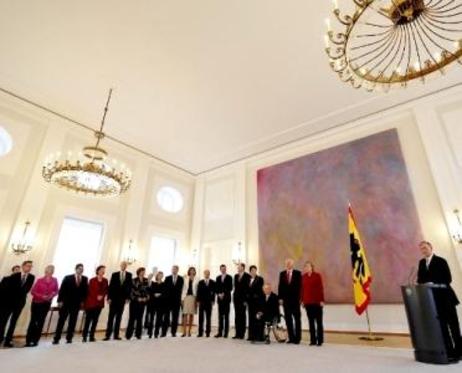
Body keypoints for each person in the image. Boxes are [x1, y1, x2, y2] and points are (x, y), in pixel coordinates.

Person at [417, 241, 461, 358]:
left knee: (453, 326)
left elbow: (448, 278)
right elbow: (420, 279)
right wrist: (424, 284)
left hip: (446, 298)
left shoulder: (441, 261)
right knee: (442, 328)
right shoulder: (421, 263)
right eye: (421, 249)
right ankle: (449, 352)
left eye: (425, 248)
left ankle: (459, 351)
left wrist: (433, 283)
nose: (423, 250)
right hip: (433, 301)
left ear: (431, 248)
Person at [0, 260, 35, 347]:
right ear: (23, 266)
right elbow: (9, 290)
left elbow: (26, 290)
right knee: (3, 321)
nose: (29, 268)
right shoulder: (14, 275)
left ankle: (8, 340)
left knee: (13, 322)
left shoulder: (31, 277)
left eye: (31, 266)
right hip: (8, 303)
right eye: (28, 266)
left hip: (19, 303)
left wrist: (18, 292)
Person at [53, 263, 88, 345]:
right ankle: (56, 339)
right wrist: (60, 301)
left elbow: (85, 292)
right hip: (65, 303)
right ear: (75, 269)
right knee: (61, 321)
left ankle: (69, 338)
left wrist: (83, 302)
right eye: (79, 268)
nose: (81, 270)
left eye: (82, 269)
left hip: (76, 304)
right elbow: (62, 290)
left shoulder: (85, 279)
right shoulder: (68, 277)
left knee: (72, 322)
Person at [25, 264, 58, 347]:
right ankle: (28, 340)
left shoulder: (55, 280)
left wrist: (52, 295)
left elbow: (56, 290)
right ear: (45, 271)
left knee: (41, 322)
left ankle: (36, 340)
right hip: (36, 303)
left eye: (51, 271)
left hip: (46, 304)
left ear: (53, 272)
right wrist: (42, 296)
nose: (49, 273)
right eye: (48, 271)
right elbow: (33, 291)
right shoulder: (40, 280)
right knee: (33, 321)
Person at [104, 261, 132, 341]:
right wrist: (109, 298)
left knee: (119, 318)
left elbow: (129, 288)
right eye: (122, 264)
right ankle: (107, 335)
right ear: (120, 265)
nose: (124, 266)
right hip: (113, 299)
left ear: (126, 266)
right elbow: (110, 287)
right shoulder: (114, 274)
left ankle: (116, 335)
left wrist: (128, 298)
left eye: (125, 265)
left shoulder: (129, 275)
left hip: (122, 300)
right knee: (111, 318)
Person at [300, 261, 325, 346]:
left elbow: (320, 288)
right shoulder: (303, 277)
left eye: (308, 266)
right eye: (305, 266)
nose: (307, 268)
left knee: (318, 322)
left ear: (312, 267)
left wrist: (321, 300)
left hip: (317, 302)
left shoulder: (317, 276)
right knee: (311, 322)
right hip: (307, 303)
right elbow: (302, 290)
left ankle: (320, 340)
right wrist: (302, 301)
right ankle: (313, 340)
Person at [278, 258, 302, 344]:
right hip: (286, 301)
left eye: (289, 263)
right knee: (288, 320)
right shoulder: (282, 274)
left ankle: (297, 339)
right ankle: (291, 338)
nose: (288, 264)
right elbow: (280, 286)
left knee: (297, 319)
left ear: (293, 264)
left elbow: (300, 287)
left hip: (295, 300)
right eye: (287, 263)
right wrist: (280, 298)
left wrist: (300, 298)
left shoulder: (298, 273)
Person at [82, 265, 108, 342]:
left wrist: (102, 296)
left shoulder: (105, 280)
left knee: (95, 320)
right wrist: (97, 296)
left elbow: (106, 290)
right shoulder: (92, 280)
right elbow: (90, 290)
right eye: (102, 269)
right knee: (88, 320)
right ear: (98, 271)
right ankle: (84, 336)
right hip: (91, 303)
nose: (103, 271)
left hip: (99, 304)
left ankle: (91, 336)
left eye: (104, 270)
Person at [126, 267, 149, 340]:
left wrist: (145, 298)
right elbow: (131, 292)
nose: (143, 272)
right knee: (132, 318)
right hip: (134, 302)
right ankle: (128, 335)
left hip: (142, 302)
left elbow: (147, 291)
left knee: (140, 318)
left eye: (144, 271)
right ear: (138, 272)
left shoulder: (146, 280)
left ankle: (138, 335)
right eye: (142, 271)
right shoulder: (133, 280)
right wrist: (137, 298)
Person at [162, 265, 184, 337]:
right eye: (173, 269)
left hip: (176, 301)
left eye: (175, 269)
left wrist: (181, 300)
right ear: (171, 270)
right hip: (168, 301)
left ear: (177, 270)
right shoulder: (167, 278)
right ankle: (164, 332)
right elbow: (164, 290)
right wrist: (165, 300)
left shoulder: (181, 278)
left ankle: (173, 332)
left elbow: (182, 290)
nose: (174, 270)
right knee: (166, 317)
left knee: (175, 317)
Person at [233, 263, 251, 340]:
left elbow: (247, 289)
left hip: (243, 300)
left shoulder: (247, 276)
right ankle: (237, 333)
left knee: (242, 316)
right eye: (238, 267)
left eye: (239, 267)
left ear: (243, 268)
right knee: (237, 316)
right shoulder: (236, 276)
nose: (238, 268)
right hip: (236, 299)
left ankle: (242, 333)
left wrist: (246, 300)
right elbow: (235, 287)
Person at [247, 265, 264, 341]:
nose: (254, 272)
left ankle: (258, 336)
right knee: (250, 319)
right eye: (252, 270)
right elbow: (246, 290)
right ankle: (251, 335)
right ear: (250, 271)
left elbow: (260, 290)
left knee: (257, 318)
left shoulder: (260, 279)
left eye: (255, 270)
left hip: (257, 302)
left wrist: (253, 296)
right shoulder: (248, 279)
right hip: (250, 302)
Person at [215, 264, 232, 338]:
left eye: (224, 268)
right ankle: (220, 332)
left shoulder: (229, 277)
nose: (223, 270)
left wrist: (223, 294)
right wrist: (219, 294)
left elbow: (230, 287)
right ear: (220, 269)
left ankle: (226, 333)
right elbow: (216, 288)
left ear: (226, 269)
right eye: (222, 269)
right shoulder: (218, 277)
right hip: (220, 299)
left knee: (226, 316)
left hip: (226, 299)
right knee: (220, 316)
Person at [147, 271, 166, 338]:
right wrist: (154, 294)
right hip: (153, 303)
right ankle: (150, 333)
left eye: (162, 275)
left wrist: (160, 294)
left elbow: (165, 293)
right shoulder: (153, 283)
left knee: (159, 319)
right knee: (151, 319)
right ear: (157, 276)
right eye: (159, 275)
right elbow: (149, 291)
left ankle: (156, 333)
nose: (160, 276)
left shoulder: (164, 284)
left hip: (161, 303)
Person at [181, 267, 199, 337]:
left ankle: (189, 332)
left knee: (191, 314)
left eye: (193, 270)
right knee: (185, 314)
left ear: (195, 271)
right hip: (186, 297)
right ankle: (184, 332)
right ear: (189, 271)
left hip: (193, 297)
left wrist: (197, 300)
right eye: (191, 270)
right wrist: (182, 299)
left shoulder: (197, 279)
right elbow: (183, 289)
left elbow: (198, 290)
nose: (192, 271)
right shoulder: (185, 278)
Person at [197, 269, 215, 338]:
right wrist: (198, 301)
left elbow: (214, 292)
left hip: (209, 302)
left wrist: (213, 300)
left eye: (208, 273)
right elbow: (198, 292)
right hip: (201, 302)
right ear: (204, 274)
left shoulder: (213, 282)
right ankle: (200, 333)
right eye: (205, 273)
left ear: (209, 274)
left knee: (208, 318)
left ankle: (208, 333)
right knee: (201, 318)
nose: (207, 274)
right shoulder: (200, 282)